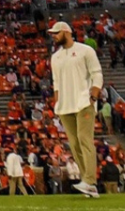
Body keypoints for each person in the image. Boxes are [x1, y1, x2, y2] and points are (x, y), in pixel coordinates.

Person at [49, 20, 103, 198]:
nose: (54, 36)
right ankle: (87, 183)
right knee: (74, 144)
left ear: (67, 32)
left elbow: (97, 73)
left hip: (84, 102)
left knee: (84, 139)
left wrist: (94, 95)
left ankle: (90, 181)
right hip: (65, 105)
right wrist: (57, 103)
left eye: (56, 33)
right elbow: (56, 82)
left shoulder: (85, 50)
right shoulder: (55, 57)